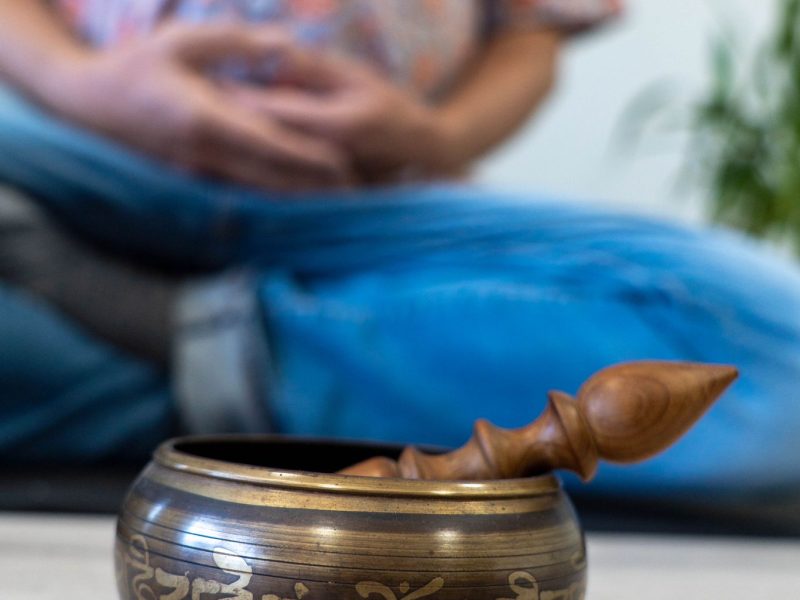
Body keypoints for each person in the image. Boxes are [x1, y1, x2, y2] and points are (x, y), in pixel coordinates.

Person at [0, 1, 799, 504]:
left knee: (778, 354)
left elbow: (532, 31)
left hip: (377, 217)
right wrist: (83, 85)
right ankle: (247, 385)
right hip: (81, 162)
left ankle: (202, 342)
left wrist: (436, 137)